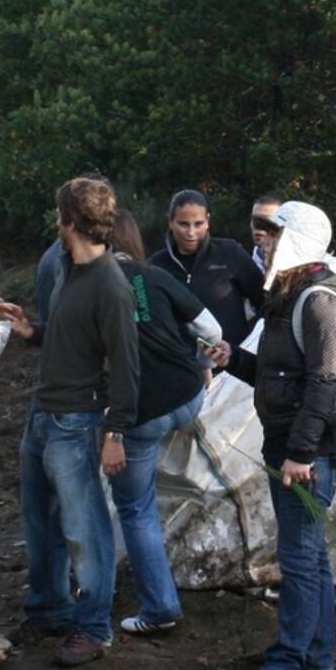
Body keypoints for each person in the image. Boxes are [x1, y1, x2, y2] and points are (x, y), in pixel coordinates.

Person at [221, 199, 336, 670]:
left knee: (299, 561)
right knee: (311, 558)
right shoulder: (292, 296)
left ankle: (287, 664)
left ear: (296, 242)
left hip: (311, 454)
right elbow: (280, 375)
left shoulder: (320, 302)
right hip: (294, 448)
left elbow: (324, 382)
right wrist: (232, 357)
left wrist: (300, 453)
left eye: (275, 234)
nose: (266, 241)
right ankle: (318, 656)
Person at [11, 177, 140, 668]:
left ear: (66, 220)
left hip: (78, 422)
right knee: (39, 519)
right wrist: (32, 332)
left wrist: (115, 433)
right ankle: (49, 609)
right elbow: (70, 336)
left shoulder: (111, 286)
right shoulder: (66, 269)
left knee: (85, 529)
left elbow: (126, 367)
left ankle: (93, 628)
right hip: (43, 414)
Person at [106, 212, 229, 637]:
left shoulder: (94, 286)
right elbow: (211, 329)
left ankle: (159, 607)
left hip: (142, 414)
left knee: (135, 509)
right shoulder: (152, 276)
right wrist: (198, 362)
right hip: (187, 397)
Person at [148, 190, 267, 347]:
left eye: (198, 224)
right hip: (180, 365)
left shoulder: (230, 253)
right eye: (183, 224)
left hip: (232, 364)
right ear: (170, 221)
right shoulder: (155, 266)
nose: (191, 233)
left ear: (208, 221)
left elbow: (265, 302)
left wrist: (254, 345)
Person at [247, 193, 284, 274]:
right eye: (255, 220)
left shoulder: (300, 269)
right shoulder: (244, 266)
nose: (259, 227)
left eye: (267, 221)